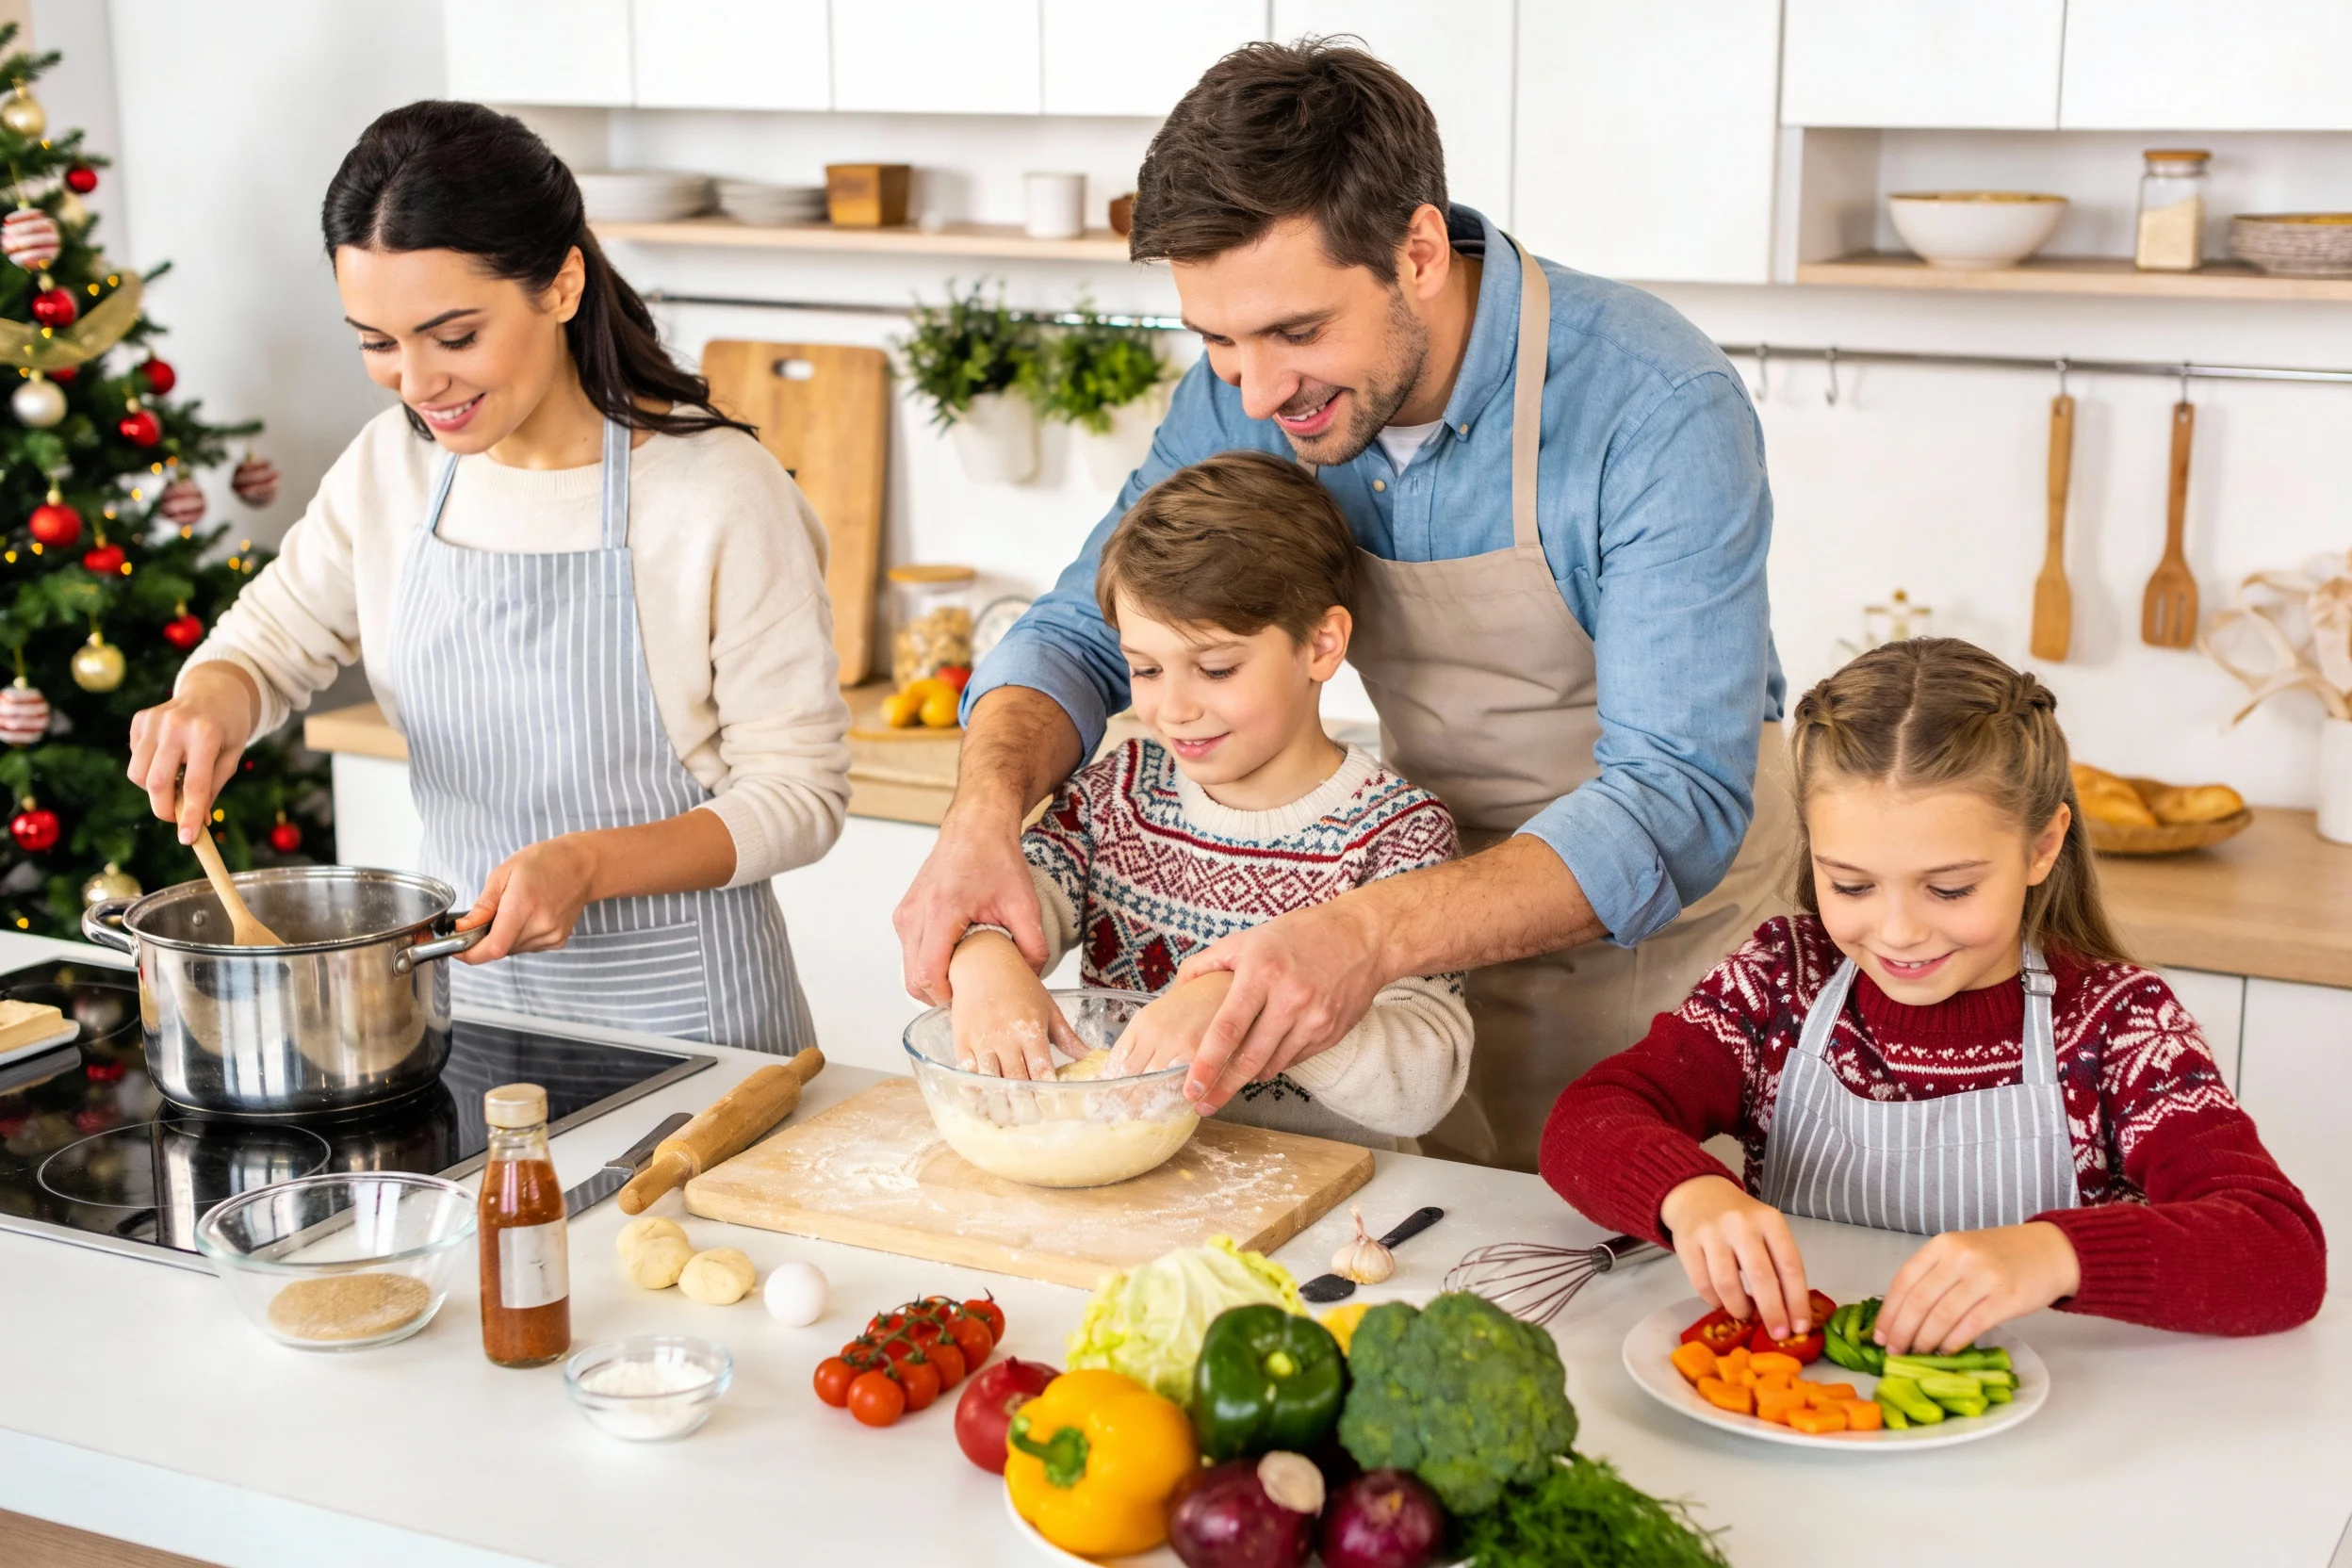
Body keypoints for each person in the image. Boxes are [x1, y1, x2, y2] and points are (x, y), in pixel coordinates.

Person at [894, 41, 1791, 1170]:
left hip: (1653, 948)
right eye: (1218, 340)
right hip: (1398, 915)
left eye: (1296, 332)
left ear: (1418, 251)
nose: (1257, 394)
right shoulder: (1249, 392)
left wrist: (1364, 933)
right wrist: (981, 816)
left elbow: (1673, 800)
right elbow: (1082, 631)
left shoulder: (1653, 404)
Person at [123, 101, 848, 1054]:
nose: (417, 382)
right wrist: (211, 701)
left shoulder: (717, 493)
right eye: (377, 342)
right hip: (467, 1015)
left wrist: (589, 864)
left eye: (454, 336)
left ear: (562, 285)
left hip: (699, 1036)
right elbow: (269, 643)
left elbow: (800, 795)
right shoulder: (392, 467)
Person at [1540, 638, 2325, 1348]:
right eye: (1851, 884)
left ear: (2042, 846)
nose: (1898, 932)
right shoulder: (1780, 983)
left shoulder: (2118, 1028)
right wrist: (1688, 1194)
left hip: (2052, 1427)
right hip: (1811, 1401)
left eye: (1949, 889)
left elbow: (2281, 1250)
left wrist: (2054, 1253)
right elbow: (1591, 1116)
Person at [948, 453, 1469, 1149]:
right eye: (1146, 669)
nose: (1174, 709)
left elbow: (1422, 1091)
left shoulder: (1397, 835)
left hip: (1332, 1193)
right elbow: (989, 908)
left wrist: (1248, 1002)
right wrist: (984, 957)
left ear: (1321, 645)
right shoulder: (1117, 796)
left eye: (1216, 669)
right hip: (1133, 1176)